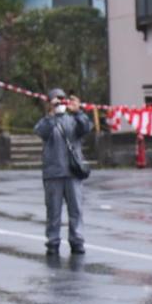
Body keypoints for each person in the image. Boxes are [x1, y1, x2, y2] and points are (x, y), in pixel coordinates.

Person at [34, 88, 92, 256]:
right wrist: (52, 114)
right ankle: (53, 241)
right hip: (53, 173)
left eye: (62, 99)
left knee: (76, 209)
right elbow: (41, 132)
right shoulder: (47, 121)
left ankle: (77, 240)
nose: (60, 102)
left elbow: (86, 127)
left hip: (73, 172)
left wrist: (78, 111)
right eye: (56, 99)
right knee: (53, 211)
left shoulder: (73, 119)